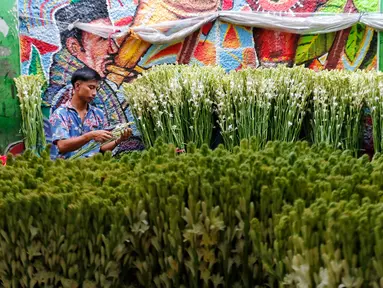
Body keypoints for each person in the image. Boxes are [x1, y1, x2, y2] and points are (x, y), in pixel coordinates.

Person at [49, 67, 132, 159]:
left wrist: (119, 140)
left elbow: (102, 148)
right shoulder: (60, 114)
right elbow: (62, 146)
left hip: (94, 168)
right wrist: (90, 136)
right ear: (77, 86)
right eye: (91, 87)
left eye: (96, 89)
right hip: (68, 169)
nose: (94, 93)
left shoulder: (98, 114)